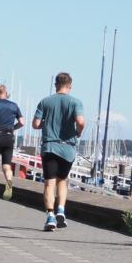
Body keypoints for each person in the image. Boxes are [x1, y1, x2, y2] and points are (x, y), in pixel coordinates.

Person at [32, 73, 85, 231]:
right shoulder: (76, 102)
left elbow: (35, 124)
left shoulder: (45, 102)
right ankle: (61, 209)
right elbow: (81, 122)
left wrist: (46, 124)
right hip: (67, 148)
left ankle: (50, 216)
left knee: (49, 183)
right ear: (70, 85)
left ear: (55, 84)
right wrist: (78, 132)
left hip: (49, 147)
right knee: (62, 180)